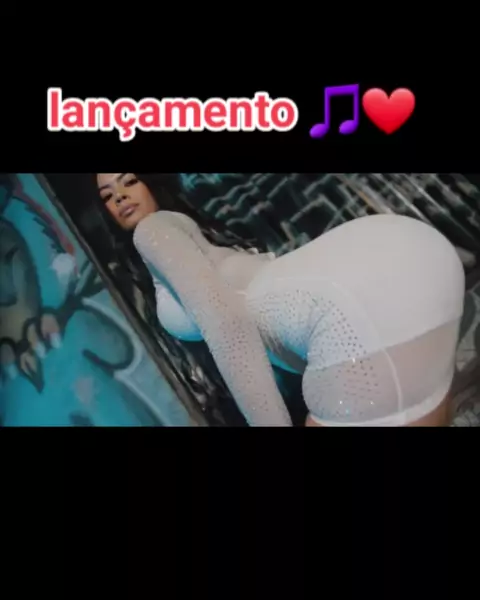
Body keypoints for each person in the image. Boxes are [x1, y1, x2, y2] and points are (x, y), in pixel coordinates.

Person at [96, 173, 465, 427]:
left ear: (151, 182)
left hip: (349, 314)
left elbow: (226, 323)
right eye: (108, 196)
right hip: (411, 254)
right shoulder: (200, 241)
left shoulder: (153, 231)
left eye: (129, 181)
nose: (121, 196)